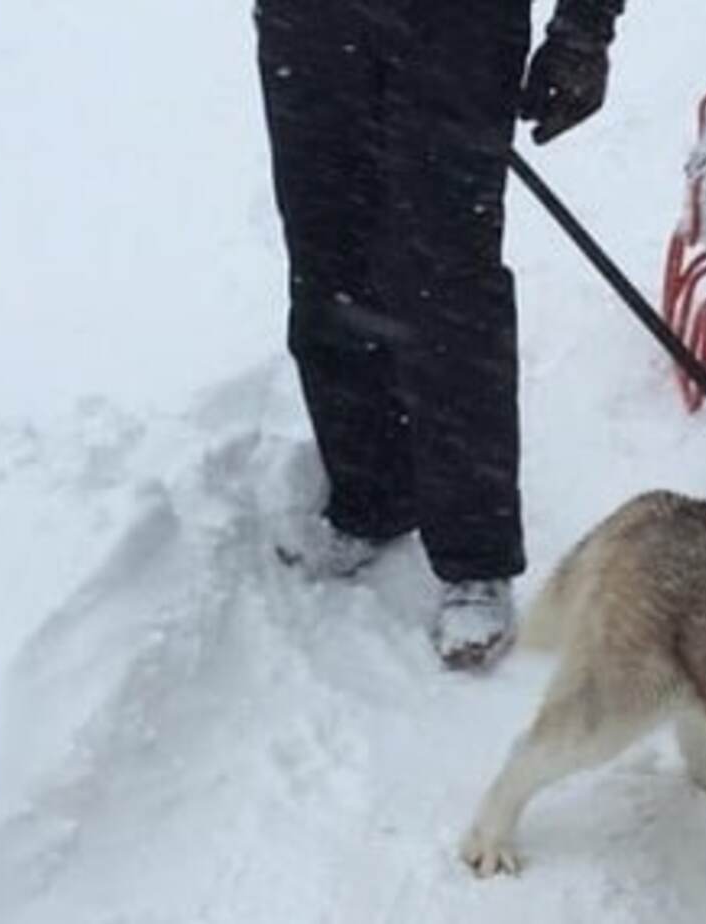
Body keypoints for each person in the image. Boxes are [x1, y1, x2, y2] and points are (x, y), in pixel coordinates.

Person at [256, 0, 625, 669]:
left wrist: (582, 30)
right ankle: (372, 496)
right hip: (308, 23)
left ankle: (475, 560)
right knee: (327, 257)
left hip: (456, 27)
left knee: (447, 280)